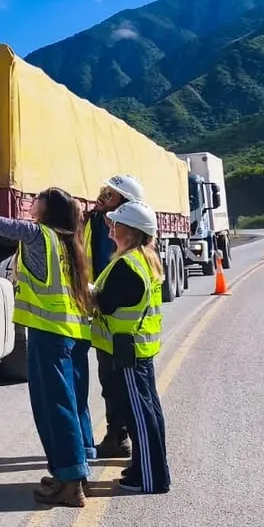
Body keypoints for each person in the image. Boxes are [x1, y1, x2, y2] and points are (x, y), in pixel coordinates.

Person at [0, 167, 95, 507]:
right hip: (69, 334)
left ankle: (70, 483)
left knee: (53, 407)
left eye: (38, 198)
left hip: (48, 334)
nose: (32, 201)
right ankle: (74, 470)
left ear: (47, 209)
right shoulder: (68, 240)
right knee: (68, 403)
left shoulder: (38, 234)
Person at [89, 199, 171, 494]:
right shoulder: (144, 257)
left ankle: (150, 478)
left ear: (132, 231)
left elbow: (109, 304)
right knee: (147, 412)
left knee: (139, 416)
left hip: (126, 350)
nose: (110, 227)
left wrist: (89, 293)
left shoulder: (127, 264)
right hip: (138, 349)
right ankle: (143, 468)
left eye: (116, 223)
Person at [84, 174, 145, 459]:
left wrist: (97, 296)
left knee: (121, 386)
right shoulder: (96, 221)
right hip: (105, 323)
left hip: (120, 329)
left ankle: (127, 441)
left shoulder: (124, 234)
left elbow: (118, 289)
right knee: (109, 384)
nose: (103, 196)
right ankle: (116, 435)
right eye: (105, 191)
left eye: (111, 194)